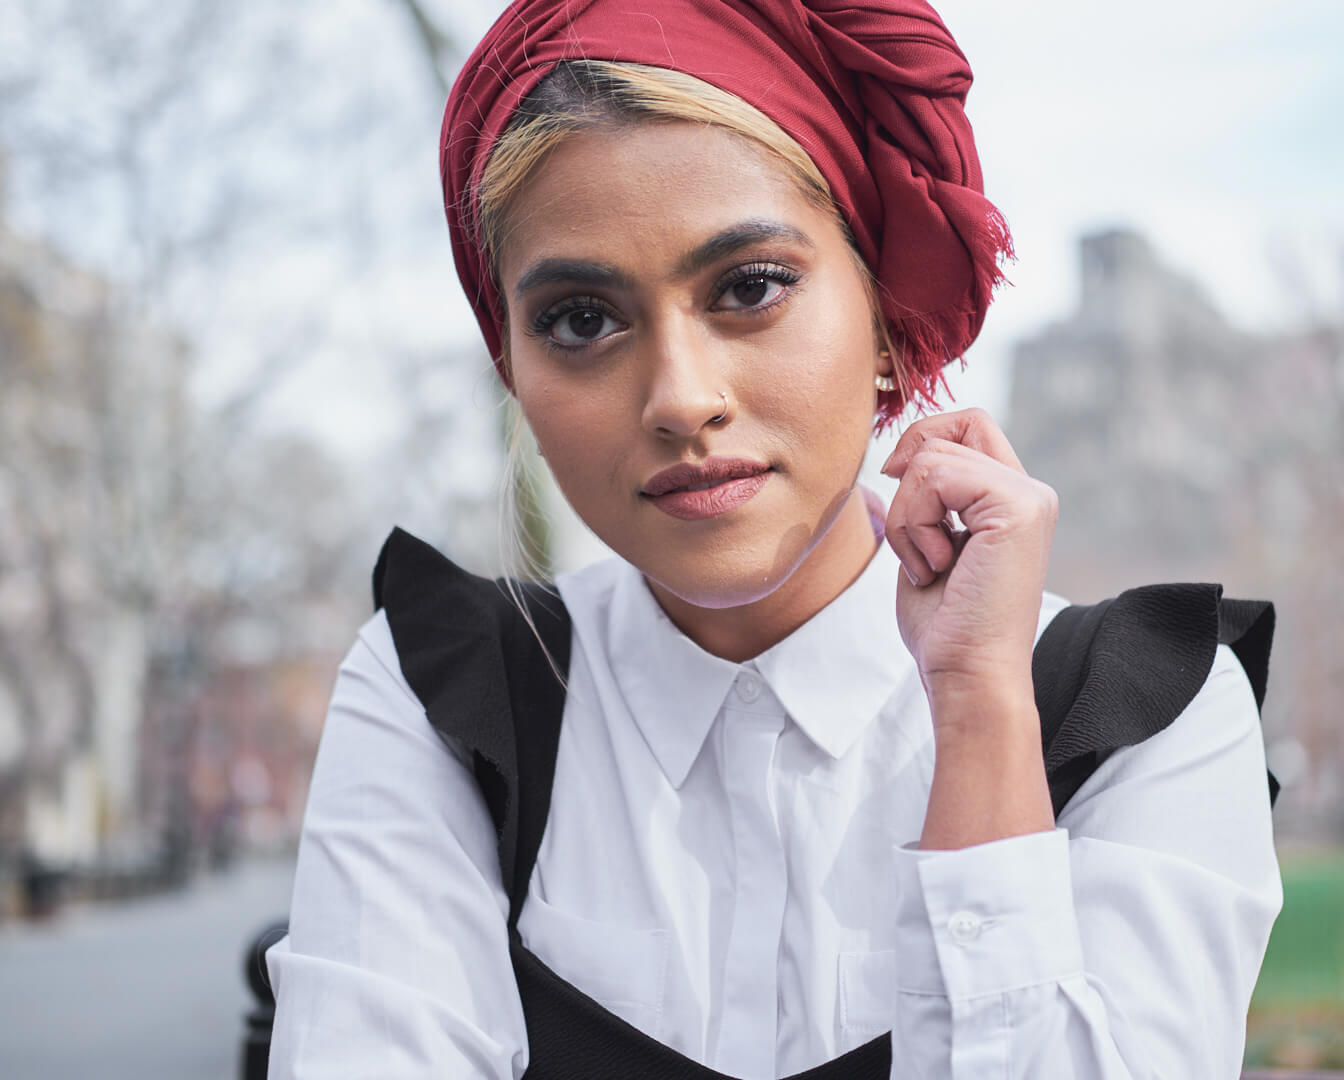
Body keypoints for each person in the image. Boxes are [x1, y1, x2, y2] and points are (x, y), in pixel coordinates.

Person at [265, 2, 1283, 1077]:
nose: (681, 399)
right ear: (514, 368)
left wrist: (984, 711)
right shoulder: (440, 695)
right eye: (579, 319)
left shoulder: (1146, 712)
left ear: (887, 320)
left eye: (750, 288)